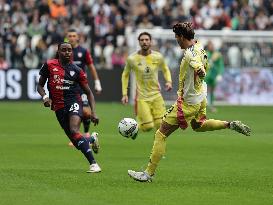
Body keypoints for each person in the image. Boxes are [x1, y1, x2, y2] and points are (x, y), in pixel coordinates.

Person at [127, 22, 251, 182]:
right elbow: (199, 63)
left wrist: (201, 70)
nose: (176, 41)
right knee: (198, 126)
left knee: (161, 133)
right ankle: (229, 124)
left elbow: (197, 65)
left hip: (188, 102)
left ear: (181, 37)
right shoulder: (200, 46)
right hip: (201, 97)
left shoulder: (189, 54)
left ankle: (148, 173)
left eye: (176, 37)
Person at [37, 42, 101, 173]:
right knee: (76, 140)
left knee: (73, 130)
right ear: (59, 52)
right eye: (64, 50)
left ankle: (94, 164)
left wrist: (93, 112)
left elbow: (88, 92)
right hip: (58, 107)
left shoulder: (77, 70)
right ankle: (91, 139)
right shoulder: (49, 65)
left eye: (69, 50)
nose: (67, 52)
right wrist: (45, 97)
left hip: (74, 102)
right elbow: (39, 86)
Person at [121, 32, 172, 132]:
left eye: (146, 40)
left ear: (151, 42)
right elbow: (125, 75)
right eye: (142, 40)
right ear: (139, 42)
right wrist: (124, 94)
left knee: (162, 126)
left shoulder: (158, 57)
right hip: (142, 97)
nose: (144, 42)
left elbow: (165, 69)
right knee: (148, 126)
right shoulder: (132, 59)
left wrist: (169, 81)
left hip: (156, 95)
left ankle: (158, 147)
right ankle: (131, 128)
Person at [66, 28, 102, 146]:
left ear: (77, 38)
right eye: (69, 36)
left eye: (73, 36)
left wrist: (97, 82)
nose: (71, 38)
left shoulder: (83, 51)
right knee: (70, 112)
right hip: (68, 87)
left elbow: (91, 67)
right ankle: (76, 135)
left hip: (81, 86)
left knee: (86, 111)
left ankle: (86, 134)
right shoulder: (64, 51)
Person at [205, 40, 224, 112]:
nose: (211, 46)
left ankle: (211, 105)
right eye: (210, 45)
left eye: (212, 45)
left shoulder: (217, 54)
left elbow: (220, 65)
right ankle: (203, 106)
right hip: (206, 75)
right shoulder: (205, 54)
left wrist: (219, 74)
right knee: (204, 91)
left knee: (212, 91)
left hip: (213, 75)